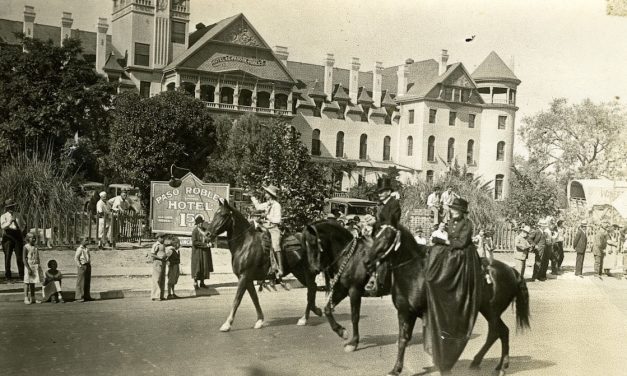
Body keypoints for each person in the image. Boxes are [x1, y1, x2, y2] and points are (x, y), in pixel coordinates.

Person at [425, 197, 482, 374]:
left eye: (457, 209)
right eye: (453, 209)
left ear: (463, 211)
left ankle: (456, 286)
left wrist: (446, 242)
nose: (454, 211)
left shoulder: (468, 223)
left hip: (464, 254)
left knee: (452, 262)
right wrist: (442, 242)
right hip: (451, 250)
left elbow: (463, 242)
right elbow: (450, 237)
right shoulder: (449, 222)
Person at [365, 177, 401, 292]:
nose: (379, 194)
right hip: (380, 234)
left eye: (381, 192)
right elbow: (380, 221)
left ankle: (380, 283)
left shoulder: (394, 204)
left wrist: (375, 222)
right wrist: (371, 220)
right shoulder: (382, 205)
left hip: (390, 235)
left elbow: (392, 222)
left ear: (389, 192)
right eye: (378, 192)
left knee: (380, 255)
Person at [251, 185, 284, 277]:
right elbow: (258, 207)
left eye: (266, 193)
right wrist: (252, 197)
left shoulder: (277, 205)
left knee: (275, 245)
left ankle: (280, 268)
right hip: (264, 227)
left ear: (270, 195)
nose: (265, 194)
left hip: (273, 228)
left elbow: (277, 220)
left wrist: (266, 216)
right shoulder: (267, 204)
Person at [1, 199, 26, 281]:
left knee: (19, 256)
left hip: (17, 235)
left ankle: (21, 275)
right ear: (7, 208)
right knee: (8, 256)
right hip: (8, 236)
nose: (11, 208)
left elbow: (23, 224)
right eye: (9, 207)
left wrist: (20, 230)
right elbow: (3, 226)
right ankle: (8, 275)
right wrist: (10, 222)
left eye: (12, 206)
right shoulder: (3, 216)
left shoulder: (18, 215)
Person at [191, 216, 213, 289]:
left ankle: (202, 283)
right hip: (197, 252)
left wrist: (209, 242)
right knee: (197, 267)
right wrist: (205, 245)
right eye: (199, 223)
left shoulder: (205, 230)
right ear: (197, 224)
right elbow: (195, 242)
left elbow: (209, 237)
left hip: (204, 252)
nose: (200, 224)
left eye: (201, 223)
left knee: (204, 267)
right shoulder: (195, 231)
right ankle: (195, 283)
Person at [23, 233, 43, 304]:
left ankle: (33, 297)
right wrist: (28, 268)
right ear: (28, 238)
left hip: (35, 266)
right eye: (32, 238)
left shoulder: (35, 247)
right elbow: (24, 259)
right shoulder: (26, 247)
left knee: (33, 282)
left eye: (34, 238)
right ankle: (26, 298)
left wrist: (39, 265)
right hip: (29, 266)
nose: (34, 239)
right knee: (27, 282)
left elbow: (37, 257)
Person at [74, 238, 93, 302]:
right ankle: (79, 297)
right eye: (86, 240)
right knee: (81, 281)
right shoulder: (79, 249)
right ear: (82, 241)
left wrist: (89, 263)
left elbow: (88, 256)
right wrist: (79, 265)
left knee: (87, 281)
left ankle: (87, 296)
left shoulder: (86, 249)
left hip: (87, 265)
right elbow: (76, 258)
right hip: (82, 265)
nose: (87, 241)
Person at [150, 233, 167, 301]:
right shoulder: (156, 245)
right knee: (156, 279)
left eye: (164, 238)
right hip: (157, 263)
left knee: (162, 279)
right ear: (158, 238)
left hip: (163, 263)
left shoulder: (163, 245)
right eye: (162, 237)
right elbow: (152, 254)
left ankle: (161, 295)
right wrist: (159, 257)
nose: (163, 239)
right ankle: (155, 295)